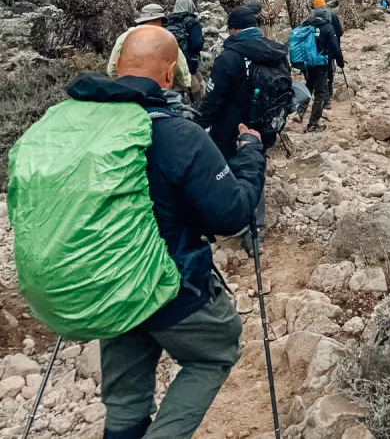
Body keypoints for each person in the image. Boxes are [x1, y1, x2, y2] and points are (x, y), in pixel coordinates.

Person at [91, 27, 265, 439]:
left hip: (105, 282)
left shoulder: (88, 131)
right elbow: (232, 214)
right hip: (168, 285)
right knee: (216, 352)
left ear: (116, 67)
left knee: (126, 400)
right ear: (170, 75)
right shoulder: (178, 135)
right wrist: (250, 155)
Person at [197, 6, 291, 251]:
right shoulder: (275, 51)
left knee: (226, 170)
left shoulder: (228, 57)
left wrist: (198, 126)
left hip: (230, 129)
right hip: (265, 126)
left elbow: (214, 99)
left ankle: (231, 221)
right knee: (255, 168)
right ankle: (255, 231)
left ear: (232, 29)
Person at [108, 4, 193, 97]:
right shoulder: (166, 38)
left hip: (128, 92)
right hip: (157, 94)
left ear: (142, 20)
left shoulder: (124, 38)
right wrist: (187, 86)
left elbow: (112, 69)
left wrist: (120, 84)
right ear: (160, 20)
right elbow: (181, 68)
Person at [298, 2, 344, 133]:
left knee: (308, 87)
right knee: (321, 94)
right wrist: (340, 62)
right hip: (320, 64)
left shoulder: (307, 25)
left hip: (307, 64)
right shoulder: (327, 28)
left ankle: (298, 114)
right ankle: (313, 124)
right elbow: (335, 48)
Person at [165, 0, 205, 101]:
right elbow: (197, 45)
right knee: (196, 89)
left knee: (176, 88)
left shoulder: (167, 21)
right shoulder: (192, 22)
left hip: (169, 62)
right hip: (188, 63)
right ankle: (197, 110)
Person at [312, 0, 342, 111]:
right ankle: (328, 97)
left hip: (316, 52)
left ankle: (323, 98)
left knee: (319, 75)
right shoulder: (332, 15)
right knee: (330, 72)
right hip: (330, 49)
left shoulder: (313, 18)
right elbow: (340, 32)